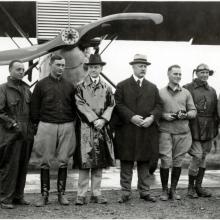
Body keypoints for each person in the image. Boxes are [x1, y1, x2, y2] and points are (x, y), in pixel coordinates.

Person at [114, 54, 162, 203]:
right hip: (127, 129)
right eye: (141, 66)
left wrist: (152, 117)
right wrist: (131, 117)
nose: (143, 69)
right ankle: (125, 192)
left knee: (145, 161)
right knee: (126, 160)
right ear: (133, 67)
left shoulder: (152, 87)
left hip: (146, 129)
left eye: (145, 66)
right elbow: (118, 104)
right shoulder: (122, 85)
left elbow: (159, 105)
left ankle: (145, 191)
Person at [30, 54, 77, 206]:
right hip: (47, 124)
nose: (61, 68)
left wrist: (72, 123)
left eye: (63, 65)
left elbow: (75, 106)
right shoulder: (41, 84)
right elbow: (34, 106)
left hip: (66, 124)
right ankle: (44, 195)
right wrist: (37, 124)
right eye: (58, 65)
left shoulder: (70, 85)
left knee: (64, 160)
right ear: (51, 65)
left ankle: (61, 194)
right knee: (45, 160)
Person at [74, 53, 115, 205]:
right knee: (85, 162)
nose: (93, 70)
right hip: (86, 128)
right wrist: (94, 119)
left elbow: (111, 104)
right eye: (91, 67)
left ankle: (96, 193)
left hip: (102, 129)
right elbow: (80, 104)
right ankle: (81, 194)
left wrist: (103, 119)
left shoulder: (107, 87)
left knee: (99, 163)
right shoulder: (80, 86)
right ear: (88, 68)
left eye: (96, 67)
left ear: (101, 68)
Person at [159, 65, 197, 201]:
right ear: (168, 75)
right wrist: (164, 115)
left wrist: (185, 114)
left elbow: (193, 111)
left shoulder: (186, 93)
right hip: (165, 131)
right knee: (165, 160)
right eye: (175, 74)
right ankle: (164, 190)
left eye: (180, 74)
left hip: (182, 132)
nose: (178, 76)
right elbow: (155, 111)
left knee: (178, 161)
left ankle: (173, 190)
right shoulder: (160, 92)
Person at [0, 60, 34, 209]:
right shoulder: (3, 89)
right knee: (9, 166)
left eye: (23, 69)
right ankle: (5, 198)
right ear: (10, 70)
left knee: (23, 165)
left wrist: (33, 128)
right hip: (10, 134)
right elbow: (0, 112)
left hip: (26, 133)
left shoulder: (27, 89)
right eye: (18, 69)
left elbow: (32, 111)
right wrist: (13, 124)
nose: (21, 72)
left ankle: (18, 196)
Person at [184, 63, 219, 198]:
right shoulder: (187, 88)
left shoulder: (212, 90)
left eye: (206, 73)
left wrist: (216, 127)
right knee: (197, 156)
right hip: (193, 126)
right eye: (202, 72)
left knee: (204, 157)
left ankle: (199, 187)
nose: (204, 75)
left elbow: (216, 111)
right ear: (196, 73)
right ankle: (190, 188)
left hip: (209, 127)